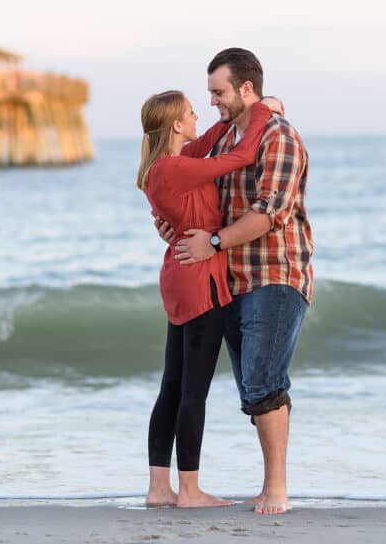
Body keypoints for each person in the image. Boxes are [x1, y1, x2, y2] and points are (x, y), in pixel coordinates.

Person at [162, 48, 314, 515]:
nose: (213, 102)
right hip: (229, 279)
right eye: (209, 93)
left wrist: (211, 240)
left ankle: (277, 489)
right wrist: (173, 225)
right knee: (251, 386)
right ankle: (268, 483)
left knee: (263, 381)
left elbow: (269, 213)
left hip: (275, 273)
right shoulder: (226, 138)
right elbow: (195, 193)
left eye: (219, 92)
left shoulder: (280, 137)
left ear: (247, 89)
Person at [138, 90, 278, 508]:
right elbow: (238, 156)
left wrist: (246, 110)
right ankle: (191, 491)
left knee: (172, 387)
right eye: (191, 112)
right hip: (199, 279)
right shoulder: (175, 168)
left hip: (182, 274)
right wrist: (264, 112)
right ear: (177, 124)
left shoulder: (169, 164)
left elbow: (217, 136)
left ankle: (160, 488)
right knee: (191, 391)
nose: (200, 114)